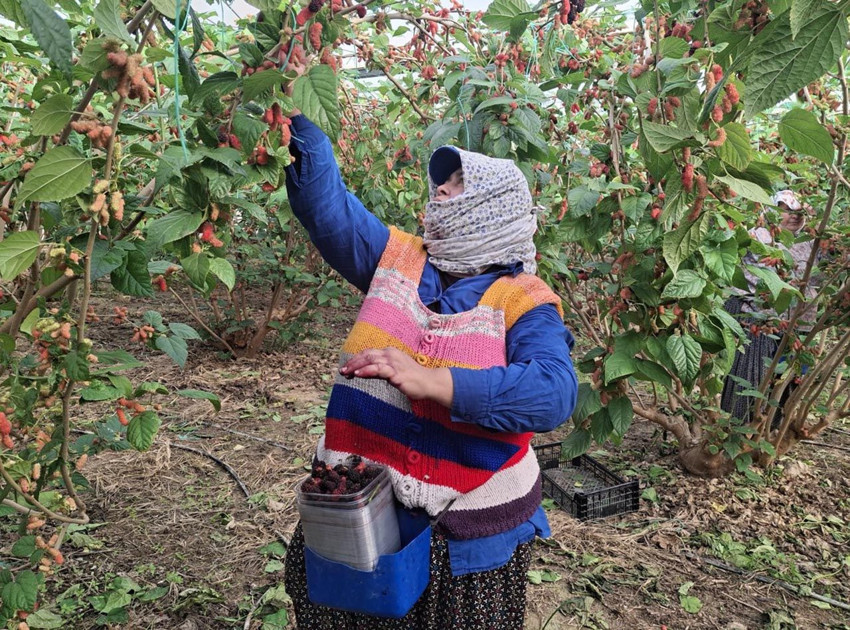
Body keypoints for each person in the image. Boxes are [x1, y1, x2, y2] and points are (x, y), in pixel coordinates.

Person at [279, 105, 578, 627]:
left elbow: (553, 392)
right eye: (441, 184)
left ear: (494, 208)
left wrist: (435, 382)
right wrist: (301, 115)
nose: (439, 191)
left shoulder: (523, 298)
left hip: (465, 537)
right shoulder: (399, 258)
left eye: (458, 185)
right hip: (360, 500)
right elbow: (328, 210)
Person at [720, 190, 817, 426]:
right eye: (786, 210)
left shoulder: (811, 244)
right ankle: (738, 427)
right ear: (772, 211)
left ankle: (770, 429)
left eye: (799, 212)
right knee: (750, 376)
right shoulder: (759, 236)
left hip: (795, 322)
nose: (793, 216)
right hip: (758, 316)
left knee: (786, 381)